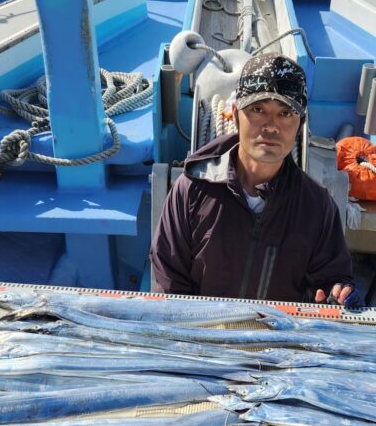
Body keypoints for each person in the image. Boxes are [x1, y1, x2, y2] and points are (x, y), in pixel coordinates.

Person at [150, 53, 355, 304]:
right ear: (235, 113)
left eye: (285, 113)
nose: (271, 126)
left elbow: (331, 279)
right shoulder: (192, 190)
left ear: (300, 123)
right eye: (258, 109)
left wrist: (337, 293)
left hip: (275, 329)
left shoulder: (317, 207)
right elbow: (170, 282)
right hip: (200, 327)